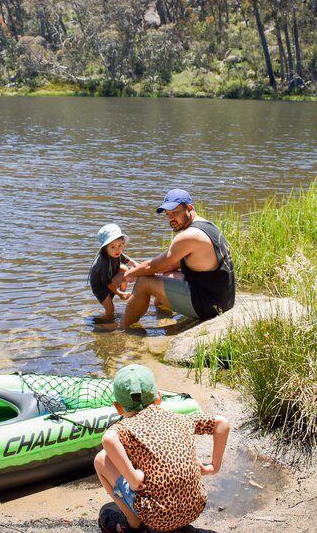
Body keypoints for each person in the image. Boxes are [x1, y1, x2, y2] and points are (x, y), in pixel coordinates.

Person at [93, 364, 230, 533]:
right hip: (195, 507)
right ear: (159, 397)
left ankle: (134, 523)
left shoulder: (124, 428)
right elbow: (222, 423)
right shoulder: (180, 418)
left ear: (118, 407)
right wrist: (213, 467)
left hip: (157, 516)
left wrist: (135, 479)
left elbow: (108, 438)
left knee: (101, 459)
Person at [100, 189, 235, 330]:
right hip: (223, 299)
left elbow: (153, 266)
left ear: (189, 208)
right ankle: (163, 317)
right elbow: (168, 266)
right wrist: (145, 271)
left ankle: (124, 329)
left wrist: (126, 275)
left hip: (211, 306)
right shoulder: (208, 226)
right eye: (167, 214)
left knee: (144, 282)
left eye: (175, 213)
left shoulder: (189, 236)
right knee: (165, 276)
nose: (171, 219)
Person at [89, 223, 139, 323]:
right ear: (105, 248)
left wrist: (136, 265)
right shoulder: (103, 263)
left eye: (120, 245)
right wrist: (118, 293)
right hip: (101, 287)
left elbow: (128, 260)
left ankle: (123, 291)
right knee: (110, 309)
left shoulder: (117, 253)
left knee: (124, 268)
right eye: (113, 247)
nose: (118, 250)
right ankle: (102, 322)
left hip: (110, 275)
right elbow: (107, 283)